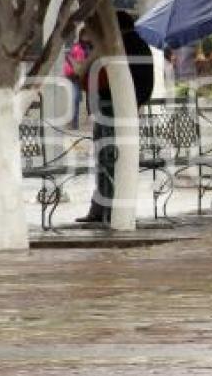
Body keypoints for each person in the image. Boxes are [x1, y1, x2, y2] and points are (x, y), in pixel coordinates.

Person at [74, 11, 154, 224]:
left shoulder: (118, 48)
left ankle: (104, 208)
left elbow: (89, 77)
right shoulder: (139, 44)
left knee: (108, 159)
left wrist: (95, 53)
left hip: (111, 110)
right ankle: (103, 207)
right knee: (110, 159)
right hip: (125, 109)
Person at [63, 30, 93, 129]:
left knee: (89, 99)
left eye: (88, 35)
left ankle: (89, 121)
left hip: (87, 76)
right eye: (85, 35)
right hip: (75, 76)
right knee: (74, 98)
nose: (86, 38)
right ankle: (73, 123)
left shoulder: (91, 47)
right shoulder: (77, 47)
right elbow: (69, 57)